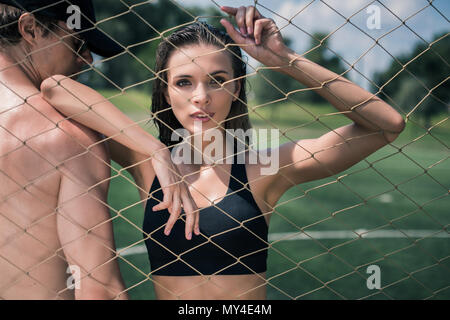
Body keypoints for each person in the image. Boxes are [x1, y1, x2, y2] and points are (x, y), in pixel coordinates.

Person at [41, 5, 405, 300]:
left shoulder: (264, 167)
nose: (201, 96)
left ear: (235, 89)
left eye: (217, 80)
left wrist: (282, 59)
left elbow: (386, 124)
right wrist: (156, 150)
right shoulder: (147, 165)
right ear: (166, 93)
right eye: (184, 82)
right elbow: (56, 88)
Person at [0, 0, 197, 300]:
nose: (88, 60)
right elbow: (98, 287)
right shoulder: (64, 137)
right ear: (30, 29)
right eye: (78, 44)